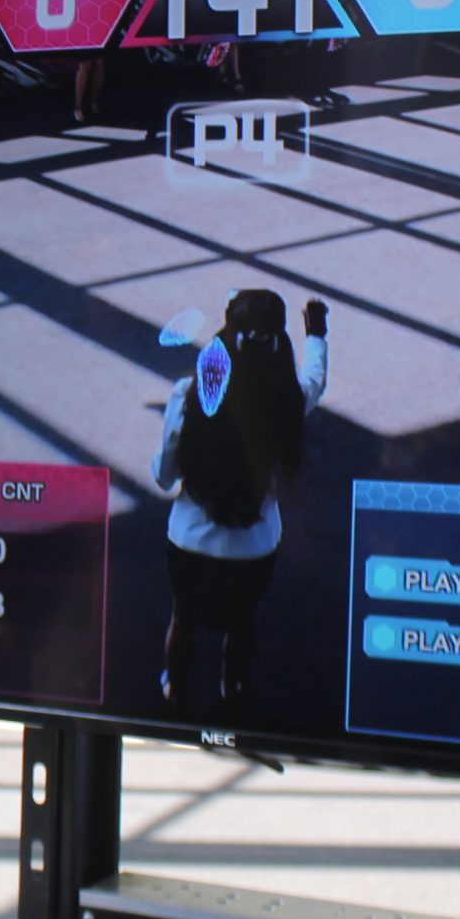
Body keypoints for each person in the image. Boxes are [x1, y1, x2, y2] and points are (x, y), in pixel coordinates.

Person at [151, 289, 328, 711]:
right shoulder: (288, 401)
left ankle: (175, 688)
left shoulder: (188, 395)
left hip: (190, 544)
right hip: (255, 549)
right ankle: (234, 687)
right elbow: (315, 379)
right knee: (242, 618)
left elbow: (163, 476)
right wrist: (317, 335)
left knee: (184, 616)